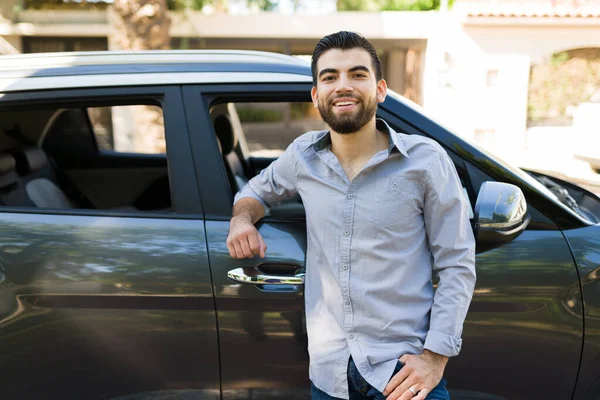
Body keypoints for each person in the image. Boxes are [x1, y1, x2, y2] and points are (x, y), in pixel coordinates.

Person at [226, 31, 476, 400]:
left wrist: (435, 357)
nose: (343, 86)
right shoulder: (302, 157)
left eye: (357, 74)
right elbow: (255, 192)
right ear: (316, 95)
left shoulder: (426, 161)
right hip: (330, 376)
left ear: (380, 89)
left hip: (404, 374)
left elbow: (456, 262)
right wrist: (241, 220)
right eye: (330, 77)